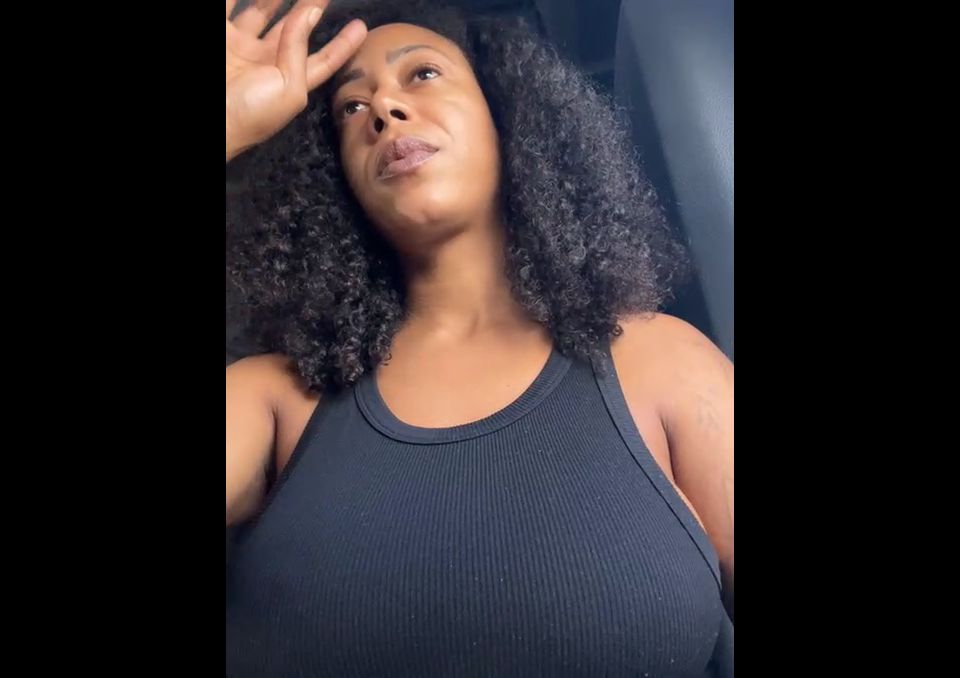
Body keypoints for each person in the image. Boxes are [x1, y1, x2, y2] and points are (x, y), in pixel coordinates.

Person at [226, 1, 734, 675]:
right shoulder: (273, 395)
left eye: (422, 74)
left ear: (506, 114)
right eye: (351, 108)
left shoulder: (665, 360)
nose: (385, 110)